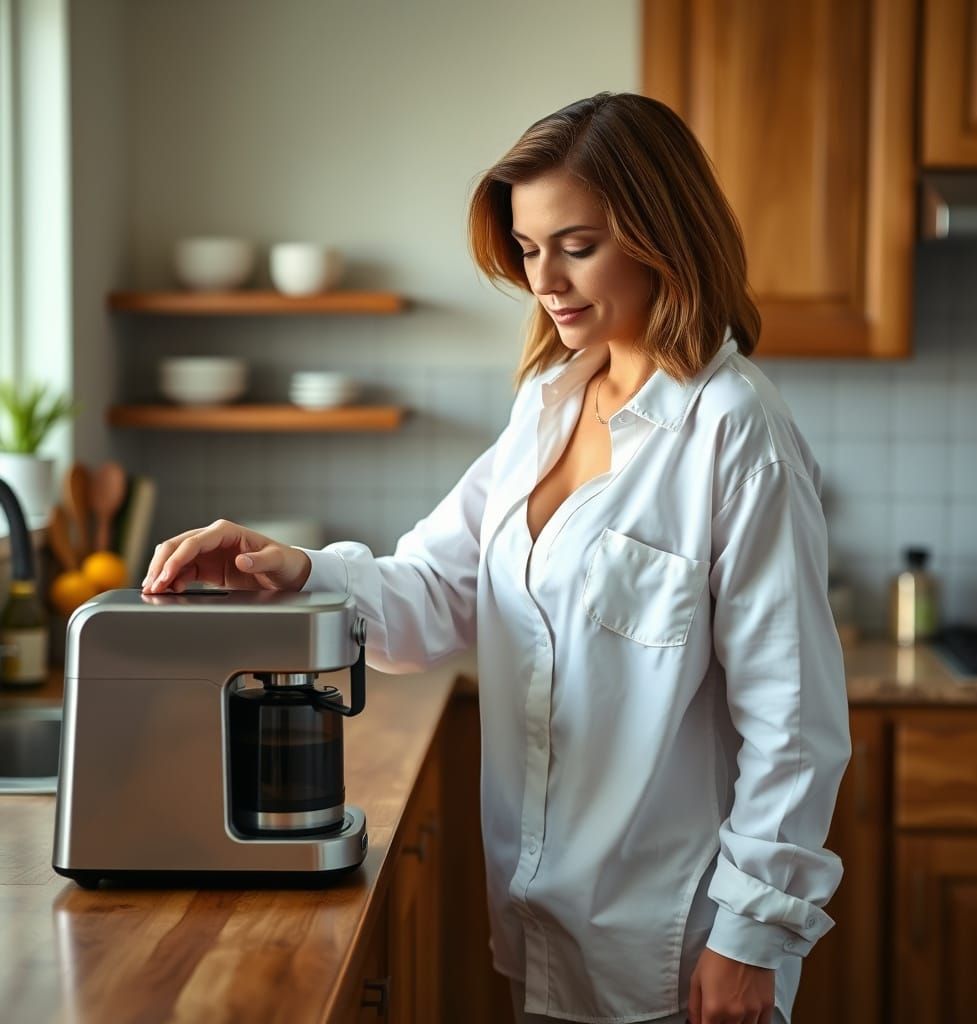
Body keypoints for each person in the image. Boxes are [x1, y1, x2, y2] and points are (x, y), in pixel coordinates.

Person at [142, 92, 851, 1024]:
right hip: (540, 927)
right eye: (527, 248)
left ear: (661, 234)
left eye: (578, 244)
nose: (545, 279)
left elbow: (793, 726)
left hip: (675, 948)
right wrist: (296, 570)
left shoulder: (735, 434)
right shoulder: (546, 407)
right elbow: (439, 591)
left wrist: (750, 939)